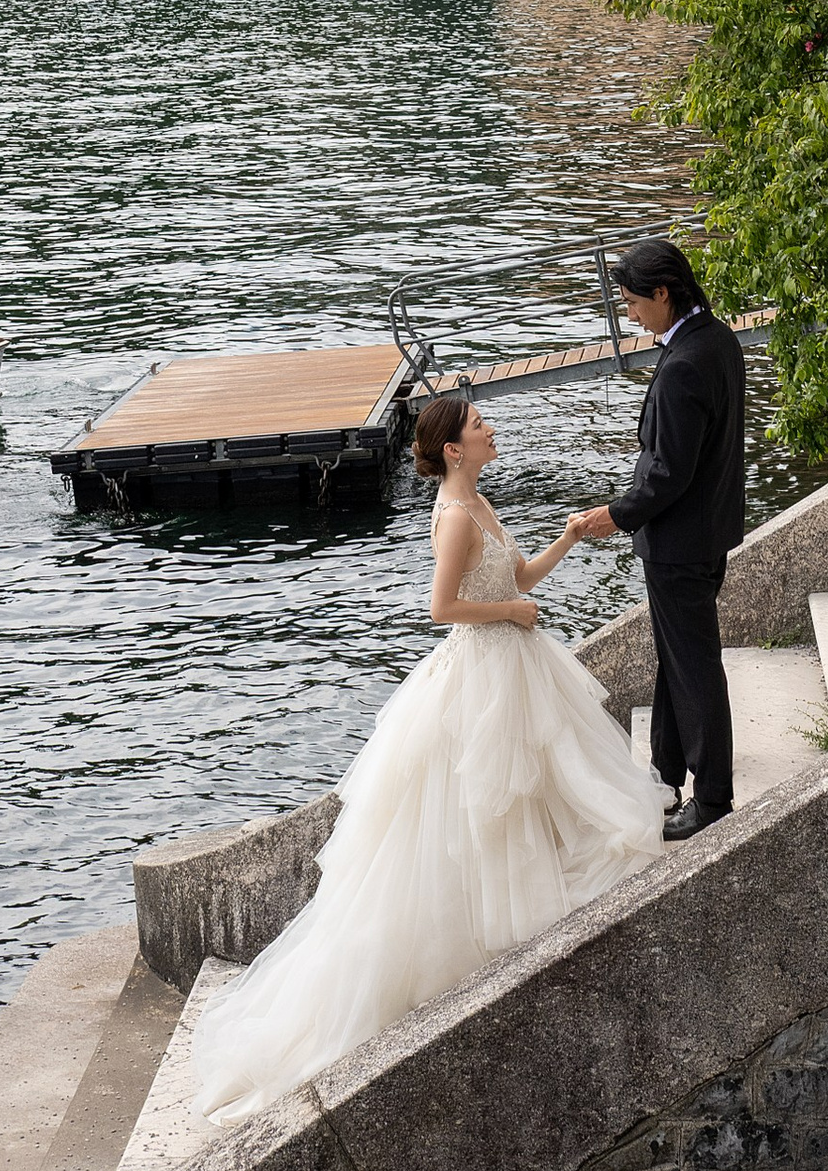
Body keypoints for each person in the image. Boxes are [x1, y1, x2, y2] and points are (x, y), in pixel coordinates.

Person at [188, 390, 660, 1124]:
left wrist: (567, 539)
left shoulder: (479, 502)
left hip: (513, 663)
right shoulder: (451, 516)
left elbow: (518, 578)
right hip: (482, 675)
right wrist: (508, 613)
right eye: (479, 425)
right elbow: (443, 609)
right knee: (478, 809)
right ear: (453, 449)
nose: (490, 428)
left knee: (531, 796)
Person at [568, 235, 747, 839]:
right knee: (674, 661)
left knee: (693, 668)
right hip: (707, 532)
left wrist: (615, 515)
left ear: (664, 293)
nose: (630, 314)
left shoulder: (683, 367)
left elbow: (669, 470)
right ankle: (665, 775)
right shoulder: (718, 340)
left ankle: (713, 798)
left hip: (680, 541)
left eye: (633, 302)